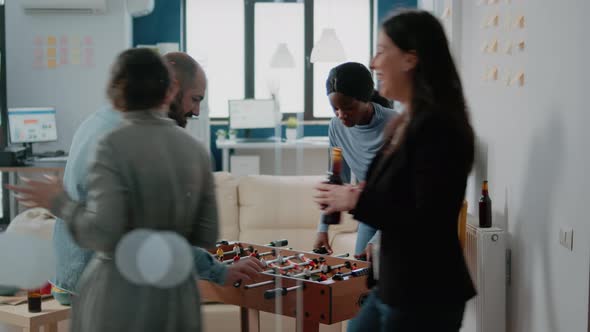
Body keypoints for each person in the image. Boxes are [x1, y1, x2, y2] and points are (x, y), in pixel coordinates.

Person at [8, 48, 261, 332]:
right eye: (195, 99)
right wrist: (218, 270)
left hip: (81, 277)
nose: (197, 111)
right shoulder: (151, 145)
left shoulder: (98, 123)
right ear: (171, 89)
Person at [314, 10, 476, 331]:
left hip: (424, 293)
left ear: (409, 59)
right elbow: (394, 194)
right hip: (392, 284)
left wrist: (354, 200)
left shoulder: (439, 126)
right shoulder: (405, 124)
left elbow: (426, 216)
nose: (373, 64)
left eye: (381, 50)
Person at [312, 62, 397, 259]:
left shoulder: (394, 124)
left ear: (366, 99)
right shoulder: (335, 127)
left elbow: (401, 190)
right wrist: (322, 228)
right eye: (335, 109)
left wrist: (378, 241)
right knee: (361, 274)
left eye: (348, 108)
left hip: (396, 210)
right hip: (368, 210)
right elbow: (336, 179)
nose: (341, 115)